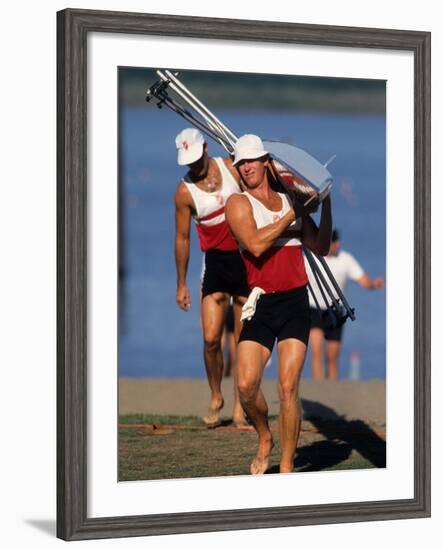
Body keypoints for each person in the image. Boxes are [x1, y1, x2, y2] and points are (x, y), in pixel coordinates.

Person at [225, 134, 332, 474]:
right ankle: (264, 437)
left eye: (251, 160)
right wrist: (293, 216)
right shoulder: (238, 204)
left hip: (295, 302)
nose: (246, 167)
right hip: (261, 304)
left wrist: (325, 203)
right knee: (246, 386)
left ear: (266, 162)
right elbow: (255, 245)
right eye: (240, 163)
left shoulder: (291, 197)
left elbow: (320, 246)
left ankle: (286, 469)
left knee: (288, 388)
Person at [174, 128, 249, 427]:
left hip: (245, 262)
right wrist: (181, 283)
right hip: (214, 265)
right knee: (210, 339)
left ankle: (241, 404)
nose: (194, 166)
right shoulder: (183, 192)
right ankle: (216, 394)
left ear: (206, 147)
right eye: (187, 162)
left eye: (196, 158)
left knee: (244, 340)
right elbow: (182, 239)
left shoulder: (231, 168)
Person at [306, 229, 385, 381]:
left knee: (332, 356)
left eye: (337, 241)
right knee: (316, 351)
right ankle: (319, 388)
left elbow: (363, 280)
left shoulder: (346, 259)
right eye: (334, 242)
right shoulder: (312, 258)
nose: (337, 245)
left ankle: (332, 389)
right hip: (314, 308)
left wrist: (374, 284)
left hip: (336, 311)